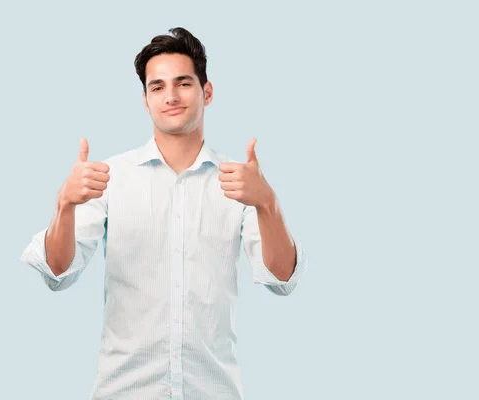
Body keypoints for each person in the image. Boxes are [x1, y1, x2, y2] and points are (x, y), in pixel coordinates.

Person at [20, 27, 307, 400]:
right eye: (157, 87)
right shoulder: (108, 177)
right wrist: (65, 205)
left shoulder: (239, 183)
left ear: (207, 92)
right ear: (145, 99)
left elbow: (282, 279)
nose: (170, 96)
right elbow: (57, 271)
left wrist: (267, 204)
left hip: (212, 391)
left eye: (183, 83)